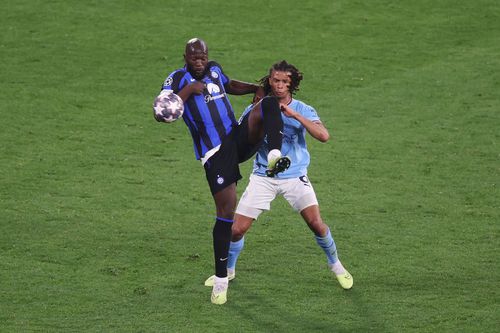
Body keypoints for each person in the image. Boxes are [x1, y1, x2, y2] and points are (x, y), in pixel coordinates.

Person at [156, 38, 291, 305]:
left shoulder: (214, 70)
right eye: (195, 58)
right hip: (215, 153)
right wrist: (188, 91)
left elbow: (229, 85)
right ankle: (220, 280)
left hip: (236, 137)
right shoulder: (176, 79)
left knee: (268, 102)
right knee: (226, 214)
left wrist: (256, 88)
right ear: (185, 57)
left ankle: (275, 154)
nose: (200, 62)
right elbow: (160, 113)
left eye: (203, 57)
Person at [204, 60, 353, 296]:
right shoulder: (259, 107)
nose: (280, 85)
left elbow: (323, 136)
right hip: (263, 176)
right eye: (275, 80)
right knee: (236, 230)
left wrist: (294, 115)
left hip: (295, 176)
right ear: (269, 80)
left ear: (292, 83)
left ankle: (336, 264)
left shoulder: (303, 109)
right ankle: (229, 270)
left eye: (285, 81)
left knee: (316, 224)